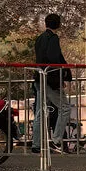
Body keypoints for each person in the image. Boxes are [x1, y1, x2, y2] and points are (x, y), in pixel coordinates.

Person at [31, 14, 72, 154]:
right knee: (65, 107)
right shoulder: (53, 39)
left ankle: (36, 144)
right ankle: (56, 140)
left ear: (46, 23)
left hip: (39, 78)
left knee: (40, 112)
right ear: (58, 24)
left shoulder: (40, 38)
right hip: (50, 80)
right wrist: (59, 80)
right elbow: (55, 61)